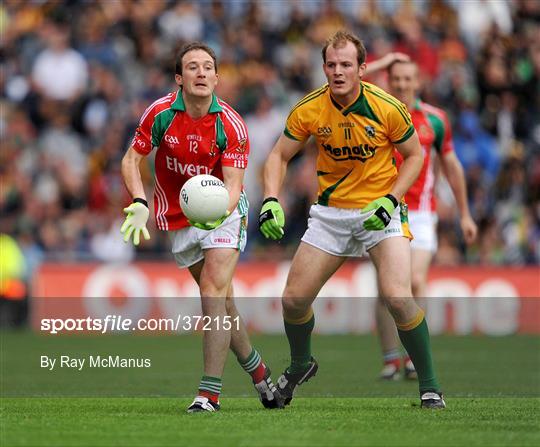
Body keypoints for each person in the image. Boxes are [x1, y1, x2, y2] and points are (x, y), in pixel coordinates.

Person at [258, 30, 445, 409]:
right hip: (331, 215)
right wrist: (271, 199)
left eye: (346, 64)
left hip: (381, 211)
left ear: (362, 68)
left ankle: (429, 385)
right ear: (324, 68)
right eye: (331, 64)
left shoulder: (388, 106)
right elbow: (278, 156)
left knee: (397, 295)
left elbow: (414, 156)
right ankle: (300, 364)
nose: (338, 71)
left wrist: (391, 200)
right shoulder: (310, 108)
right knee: (293, 300)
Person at [120, 42, 283, 413]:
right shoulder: (159, 113)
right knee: (222, 302)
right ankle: (259, 372)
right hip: (180, 217)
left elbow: (234, 186)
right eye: (192, 67)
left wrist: (215, 214)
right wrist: (139, 201)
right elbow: (132, 160)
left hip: (223, 211)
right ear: (179, 78)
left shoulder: (231, 123)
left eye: (208, 67)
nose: (201, 73)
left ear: (216, 77)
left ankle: (208, 394)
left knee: (211, 291)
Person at [368, 58, 478, 381]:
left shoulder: (436, 119)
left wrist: (465, 213)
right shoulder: (376, 111)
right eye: (396, 78)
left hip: (420, 212)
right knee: (386, 290)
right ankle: (391, 359)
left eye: (407, 79)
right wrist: (385, 60)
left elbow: (452, 165)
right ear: (388, 80)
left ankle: (415, 357)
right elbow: (353, 79)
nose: (402, 85)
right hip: (384, 209)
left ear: (418, 82)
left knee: (414, 281)